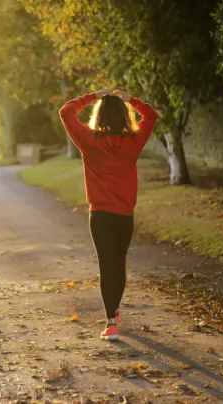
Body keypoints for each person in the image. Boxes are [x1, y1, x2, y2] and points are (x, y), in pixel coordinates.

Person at [59, 88, 159, 341]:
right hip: (124, 215)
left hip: (100, 215)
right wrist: (130, 99)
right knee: (119, 263)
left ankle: (111, 322)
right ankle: (114, 311)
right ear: (124, 116)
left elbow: (66, 111)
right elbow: (151, 115)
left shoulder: (89, 141)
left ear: (99, 115)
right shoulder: (133, 142)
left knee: (107, 265)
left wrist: (93, 96)